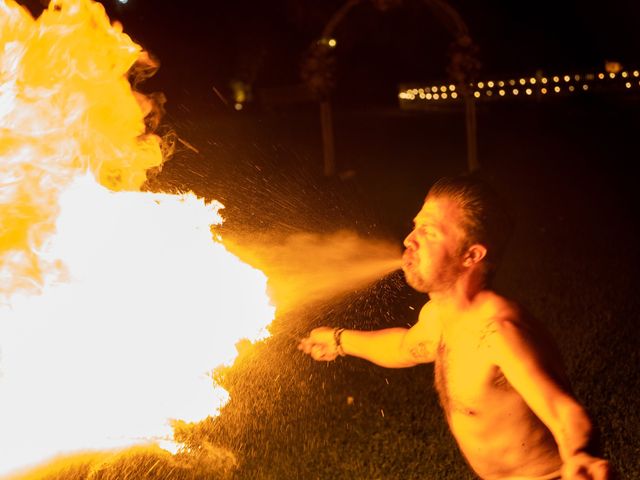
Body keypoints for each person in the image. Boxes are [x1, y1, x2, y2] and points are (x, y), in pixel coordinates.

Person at [298, 176, 612, 480]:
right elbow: (405, 347)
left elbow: (563, 411)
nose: (410, 239)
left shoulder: (498, 332)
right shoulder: (439, 315)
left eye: (429, 232)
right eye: (415, 226)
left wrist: (581, 456)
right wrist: (339, 341)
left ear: (471, 255)